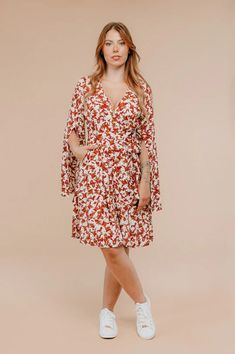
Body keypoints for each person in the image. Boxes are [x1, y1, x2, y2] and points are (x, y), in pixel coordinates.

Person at [60, 22, 163, 340]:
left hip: (128, 176)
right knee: (111, 248)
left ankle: (107, 312)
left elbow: (147, 139)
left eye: (121, 43)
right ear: (101, 49)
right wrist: (77, 149)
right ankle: (142, 304)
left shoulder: (141, 89)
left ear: (129, 48)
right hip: (95, 176)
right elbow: (73, 128)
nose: (115, 48)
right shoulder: (86, 86)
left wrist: (146, 180)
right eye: (109, 43)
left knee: (120, 249)